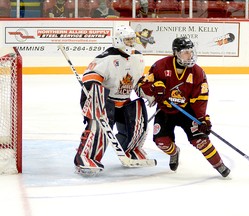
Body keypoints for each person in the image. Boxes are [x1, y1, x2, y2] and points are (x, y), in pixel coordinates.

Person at [138, 37, 230, 177]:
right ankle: (175, 152)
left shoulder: (198, 72)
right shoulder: (161, 66)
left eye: (191, 52)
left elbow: (201, 98)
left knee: (201, 140)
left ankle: (219, 164)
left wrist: (202, 119)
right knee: (161, 142)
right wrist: (155, 88)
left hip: (187, 110)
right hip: (165, 110)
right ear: (176, 53)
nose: (190, 55)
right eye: (185, 52)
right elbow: (142, 84)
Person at [74, 25, 151, 175]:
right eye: (127, 40)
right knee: (99, 130)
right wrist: (95, 91)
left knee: (137, 125)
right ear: (118, 40)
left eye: (132, 39)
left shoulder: (138, 57)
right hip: (104, 101)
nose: (130, 43)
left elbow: (138, 80)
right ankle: (86, 157)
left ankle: (131, 150)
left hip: (124, 100)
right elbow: (90, 78)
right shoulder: (107, 58)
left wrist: (148, 91)